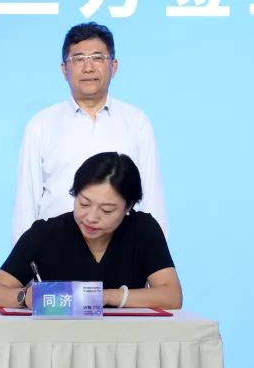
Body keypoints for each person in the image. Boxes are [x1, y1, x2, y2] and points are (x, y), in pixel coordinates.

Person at [11, 22, 167, 245]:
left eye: (97, 58)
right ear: (64, 69)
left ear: (113, 66)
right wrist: (24, 259)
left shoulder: (136, 122)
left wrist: (156, 256)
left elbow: (152, 198)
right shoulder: (42, 124)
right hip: (55, 249)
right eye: (79, 59)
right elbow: (26, 201)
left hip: (121, 250)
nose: (88, 68)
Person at [0, 152, 181, 310]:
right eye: (84, 203)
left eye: (106, 210)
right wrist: (25, 297)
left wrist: (105, 297)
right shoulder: (45, 234)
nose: (91, 217)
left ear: (128, 207)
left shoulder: (143, 230)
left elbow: (172, 296)